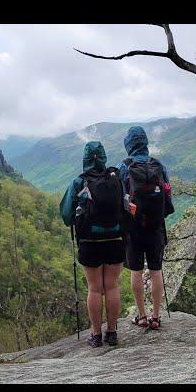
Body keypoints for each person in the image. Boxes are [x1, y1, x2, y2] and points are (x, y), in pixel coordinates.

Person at [59, 141, 127, 348]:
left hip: (90, 241)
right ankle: (112, 333)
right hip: (116, 239)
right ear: (104, 157)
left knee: (95, 289)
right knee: (112, 286)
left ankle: (96, 335)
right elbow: (125, 205)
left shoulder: (79, 182)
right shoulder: (116, 179)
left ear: (86, 159)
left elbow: (66, 215)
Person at [118, 126, 174, 330]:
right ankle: (156, 317)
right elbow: (168, 198)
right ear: (145, 143)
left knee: (136, 271)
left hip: (134, 229)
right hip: (156, 227)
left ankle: (141, 316)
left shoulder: (124, 167)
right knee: (156, 270)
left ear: (129, 144)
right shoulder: (159, 166)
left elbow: (120, 200)